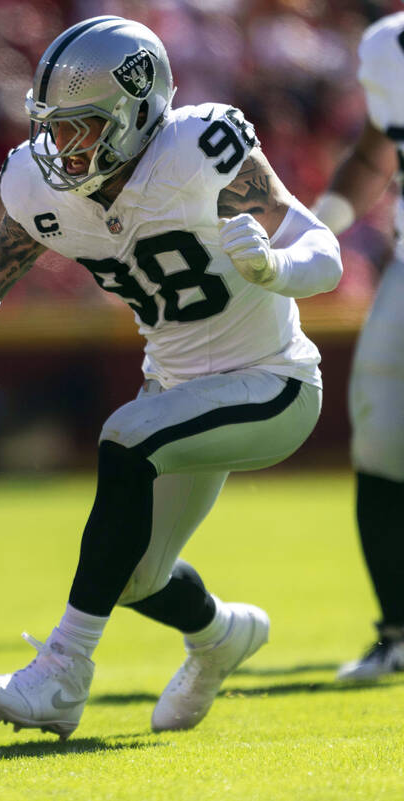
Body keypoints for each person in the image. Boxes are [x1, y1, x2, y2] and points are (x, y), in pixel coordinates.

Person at [0, 15, 341, 738]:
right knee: (135, 574)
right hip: (177, 388)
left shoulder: (199, 148)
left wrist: (276, 267)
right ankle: (219, 634)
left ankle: (63, 671)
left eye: (83, 127)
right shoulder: (41, 190)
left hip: (274, 382)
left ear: (139, 111)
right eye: (53, 127)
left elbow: (319, 247)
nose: (62, 147)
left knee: (125, 436)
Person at [311, 10, 404, 682]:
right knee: (380, 436)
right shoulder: (388, 45)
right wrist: (318, 229)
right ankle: (398, 630)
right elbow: (379, 146)